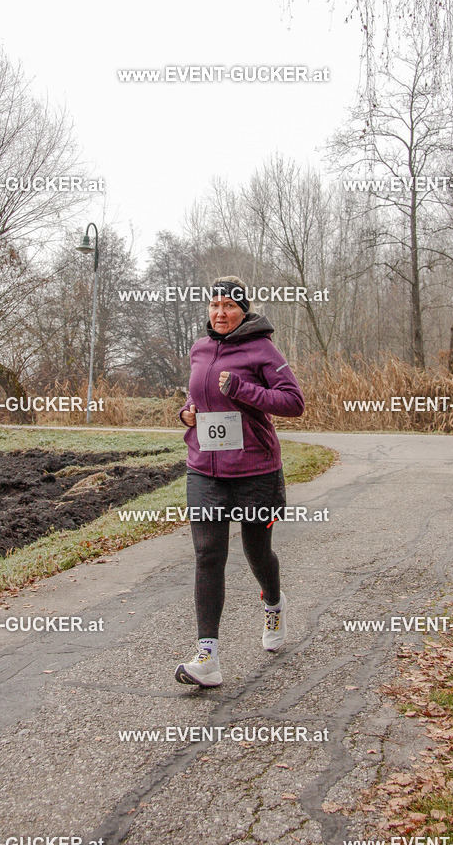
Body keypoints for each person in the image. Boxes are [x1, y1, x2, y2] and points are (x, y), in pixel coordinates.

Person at [175, 277, 305, 687]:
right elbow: (199, 397)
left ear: (243, 311)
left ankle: (274, 604)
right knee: (207, 554)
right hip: (205, 468)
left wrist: (244, 389)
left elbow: (294, 402)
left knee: (257, 552)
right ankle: (207, 657)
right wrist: (186, 413)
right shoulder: (200, 347)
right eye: (214, 305)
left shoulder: (261, 349)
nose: (220, 312)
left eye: (229, 306)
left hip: (254, 470)